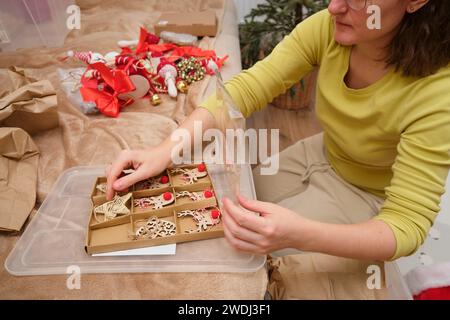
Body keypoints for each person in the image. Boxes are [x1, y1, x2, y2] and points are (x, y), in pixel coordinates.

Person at [106, 0, 449, 264]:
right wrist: (165, 150)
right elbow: (246, 89)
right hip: (323, 152)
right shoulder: (329, 27)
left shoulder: (438, 95)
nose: (334, 7)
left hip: (370, 192)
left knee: (250, 251)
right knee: (222, 211)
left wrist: (300, 236)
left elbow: (406, 225)